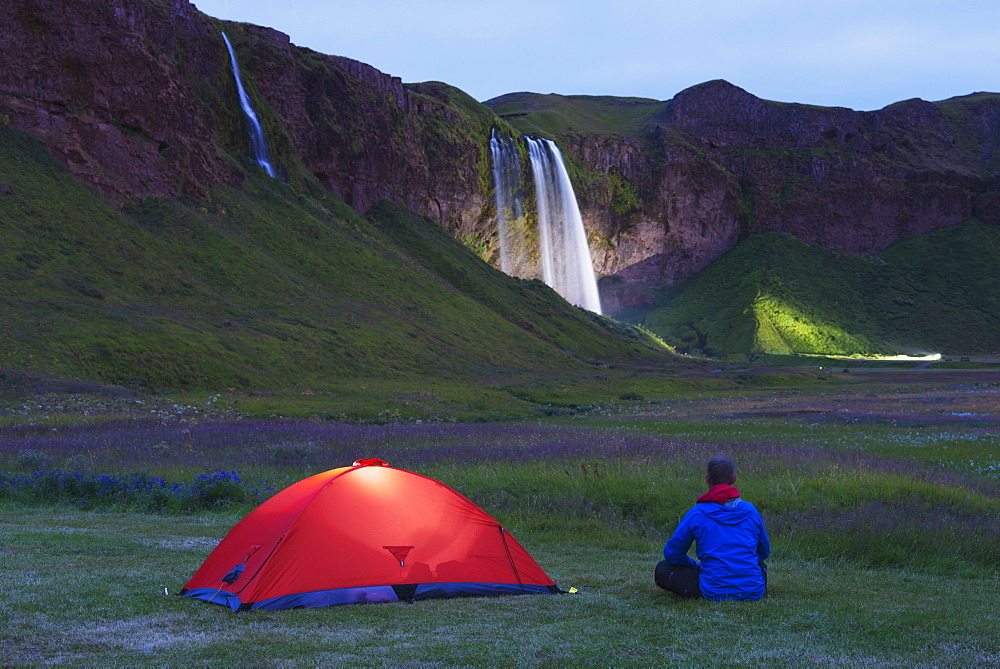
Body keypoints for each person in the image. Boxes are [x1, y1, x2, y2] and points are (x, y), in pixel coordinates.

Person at [655, 456, 770, 601]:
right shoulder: (750, 510)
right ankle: (746, 583)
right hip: (753, 590)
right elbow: (763, 551)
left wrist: (696, 566)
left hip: (712, 591)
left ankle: (719, 585)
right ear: (733, 479)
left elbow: (673, 554)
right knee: (760, 565)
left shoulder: (699, 512)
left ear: (707, 478)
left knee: (663, 569)